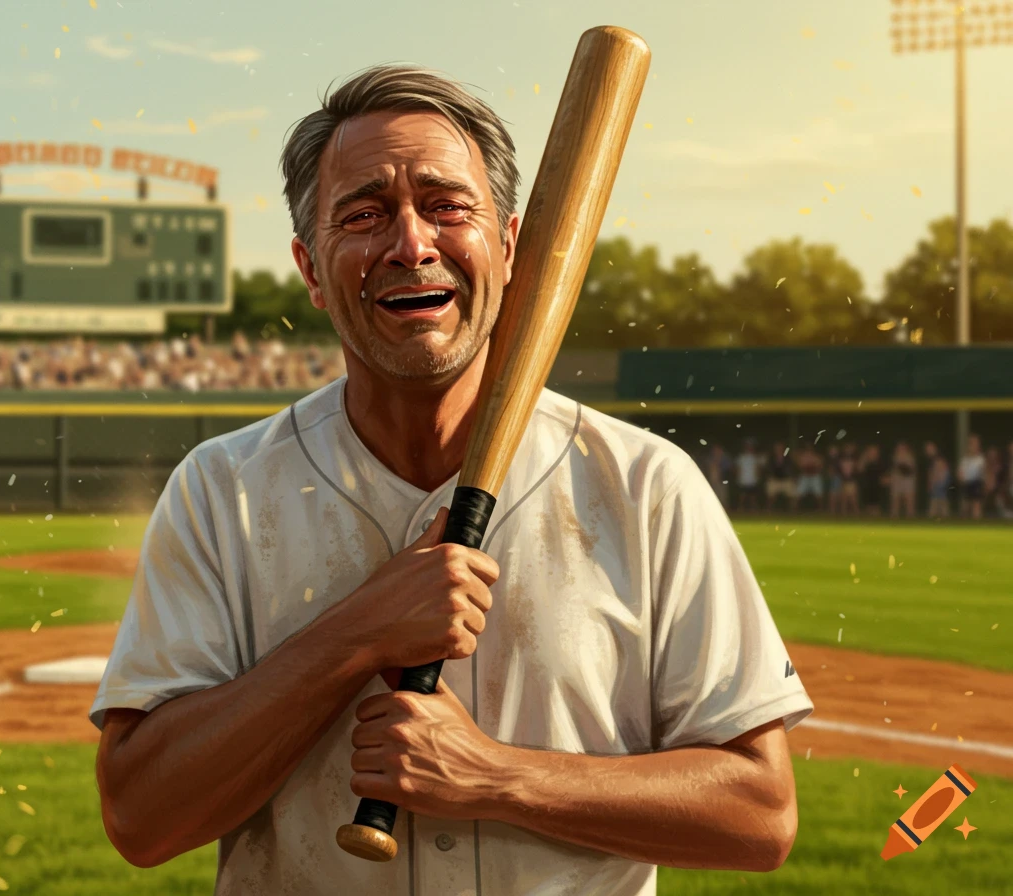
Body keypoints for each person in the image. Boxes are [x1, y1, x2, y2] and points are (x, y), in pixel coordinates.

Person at [89, 65, 811, 895]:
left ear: (508, 247)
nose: (410, 243)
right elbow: (142, 819)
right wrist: (358, 631)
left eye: (446, 206)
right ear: (310, 270)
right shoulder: (222, 490)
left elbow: (759, 812)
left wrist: (497, 777)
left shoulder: (645, 484)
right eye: (362, 214)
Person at [764, 442, 797, 514]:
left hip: (786, 479)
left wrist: (792, 477)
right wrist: (770, 476)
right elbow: (768, 469)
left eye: (780, 448)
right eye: (777, 448)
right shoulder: (771, 458)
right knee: (770, 495)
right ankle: (769, 511)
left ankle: (793, 511)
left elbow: (792, 468)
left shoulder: (788, 458)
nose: (779, 450)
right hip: (775, 479)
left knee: (792, 495)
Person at [887, 441, 917, 520]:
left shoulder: (909, 457)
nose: (901, 450)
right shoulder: (894, 457)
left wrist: (901, 466)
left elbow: (910, 470)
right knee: (895, 499)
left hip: (908, 481)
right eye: (899, 448)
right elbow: (892, 469)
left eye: (903, 448)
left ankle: (910, 516)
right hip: (897, 480)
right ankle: (894, 516)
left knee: (909, 500)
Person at [958, 434, 986, 520]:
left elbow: (983, 472)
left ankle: (977, 525)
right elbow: (960, 472)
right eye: (970, 443)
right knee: (965, 506)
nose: (972, 445)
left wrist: (984, 483)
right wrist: (961, 478)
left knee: (976, 506)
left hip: (977, 483)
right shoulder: (965, 459)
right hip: (967, 484)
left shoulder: (980, 459)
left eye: (974, 443)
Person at [735, 437, 763, 513]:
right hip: (743, 480)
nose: (749, 447)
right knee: (742, 497)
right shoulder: (741, 457)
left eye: (750, 446)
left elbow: (758, 468)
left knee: (753, 497)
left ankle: (754, 511)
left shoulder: (756, 457)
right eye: (748, 446)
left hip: (753, 480)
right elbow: (738, 469)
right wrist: (738, 478)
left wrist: (758, 478)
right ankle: (740, 510)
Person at [858, 443, 887, 517]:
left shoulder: (880, 462)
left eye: (874, 451)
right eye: (871, 451)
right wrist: (864, 456)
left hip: (877, 487)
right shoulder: (865, 461)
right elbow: (860, 469)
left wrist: (885, 480)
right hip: (867, 486)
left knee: (876, 507)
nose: (873, 453)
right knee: (868, 507)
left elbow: (884, 475)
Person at [793, 443, 824, 512]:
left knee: (818, 494)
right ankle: (795, 509)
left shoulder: (816, 456)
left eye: (810, 448)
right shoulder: (802, 456)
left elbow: (820, 465)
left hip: (814, 476)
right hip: (805, 476)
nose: (809, 449)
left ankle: (820, 509)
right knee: (799, 493)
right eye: (807, 448)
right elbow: (799, 465)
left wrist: (813, 466)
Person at [926, 443, 952, 519]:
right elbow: (931, 475)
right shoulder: (931, 461)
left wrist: (941, 480)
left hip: (943, 492)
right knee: (933, 510)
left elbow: (946, 478)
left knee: (944, 511)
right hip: (935, 493)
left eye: (929, 448)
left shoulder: (940, 458)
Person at [703, 443, 730, 508]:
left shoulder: (725, 459)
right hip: (713, 481)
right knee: (714, 496)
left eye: (717, 450)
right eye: (714, 450)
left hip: (722, 481)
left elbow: (727, 468)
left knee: (723, 496)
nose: (716, 451)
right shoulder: (710, 458)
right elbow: (708, 468)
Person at [837, 442, 860, 516]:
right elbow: (840, 469)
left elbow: (857, 469)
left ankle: (857, 513)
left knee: (853, 498)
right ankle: (844, 513)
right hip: (844, 479)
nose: (848, 450)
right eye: (847, 448)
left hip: (852, 480)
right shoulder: (841, 457)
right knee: (844, 497)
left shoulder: (855, 457)